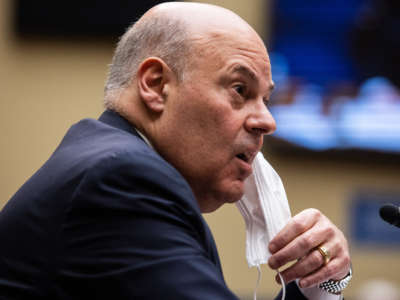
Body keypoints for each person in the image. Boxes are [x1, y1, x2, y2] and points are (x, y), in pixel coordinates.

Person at [0, 2, 351, 299]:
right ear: (155, 85)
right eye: (240, 89)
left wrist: (319, 283)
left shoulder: (112, 162)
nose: (267, 121)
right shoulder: (121, 181)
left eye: (266, 99)